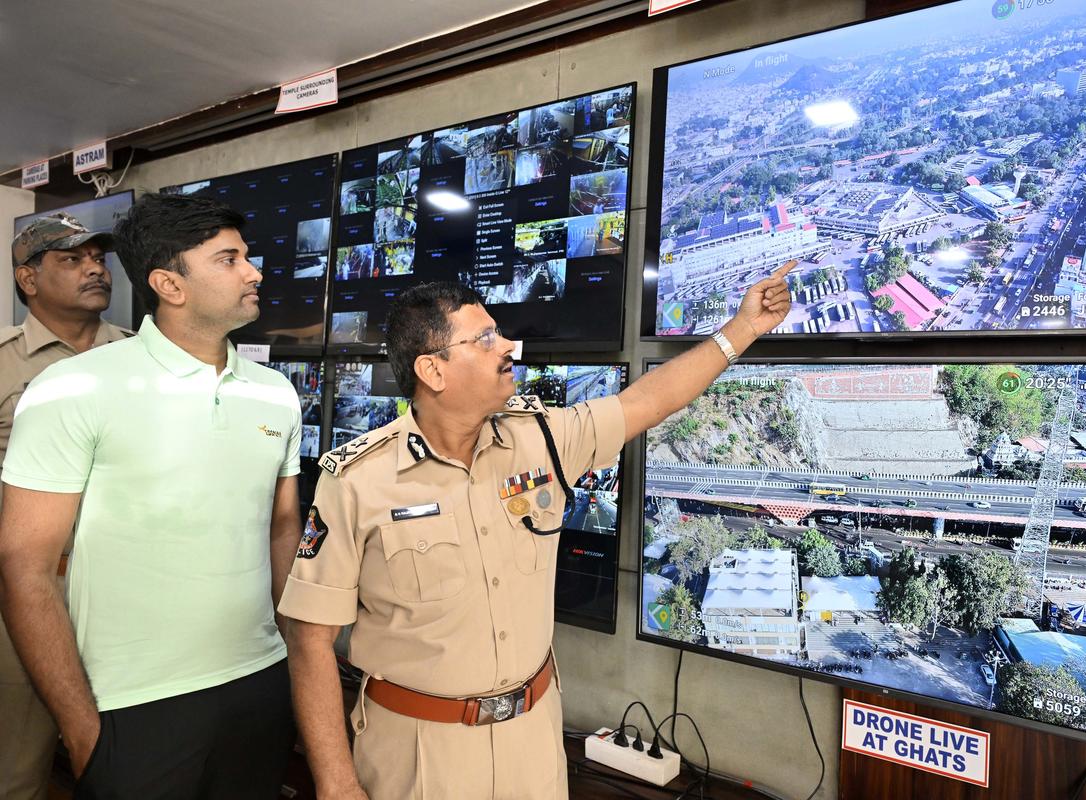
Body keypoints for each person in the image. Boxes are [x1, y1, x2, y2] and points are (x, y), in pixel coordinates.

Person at [280, 264, 792, 800]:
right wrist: (337, 784)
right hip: (419, 753)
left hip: (534, 739)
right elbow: (310, 640)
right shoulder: (359, 480)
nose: (509, 345)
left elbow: (646, 401)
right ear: (433, 370)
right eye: (485, 338)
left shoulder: (541, 439)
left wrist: (741, 330)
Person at [0, 193, 302, 799]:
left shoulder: (275, 393)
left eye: (247, 256)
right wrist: (83, 731)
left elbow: (280, 531)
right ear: (170, 284)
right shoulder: (75, 386)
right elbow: (24, 565)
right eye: (229, 260)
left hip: (258, 685)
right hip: (132, 700)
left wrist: (298, 664)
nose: (254, 271)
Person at [0, 213, 131, 800]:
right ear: (28, 280)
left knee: (128, 759)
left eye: (98, 258)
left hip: (128, 591)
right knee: (19, 767)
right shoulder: (5, 362)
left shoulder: (141, 357)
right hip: (33, 589)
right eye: (72, 260)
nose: (95, 268)